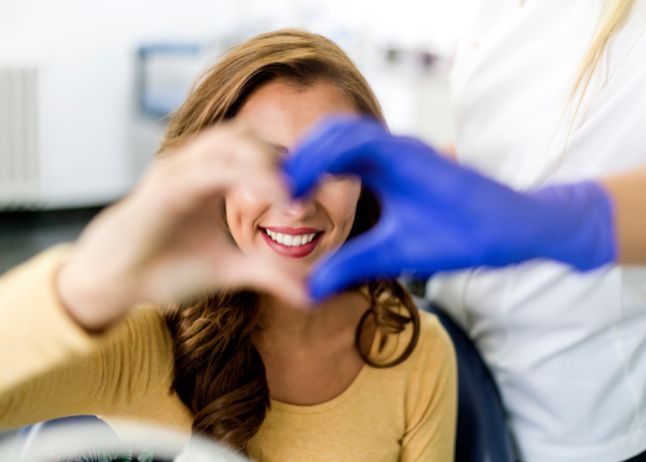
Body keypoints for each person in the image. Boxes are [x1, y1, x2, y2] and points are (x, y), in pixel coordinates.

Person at [0, 30, 457, 461]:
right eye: (264, 163)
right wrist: (89, 281)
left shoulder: (413, 350)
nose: (297, 206)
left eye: (333, 166)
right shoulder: (147, 339)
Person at [283, 1, 646, 461]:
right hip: (464, 361)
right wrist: (413, 184)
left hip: (578, 413)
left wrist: (558, 220)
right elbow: (516, 149)